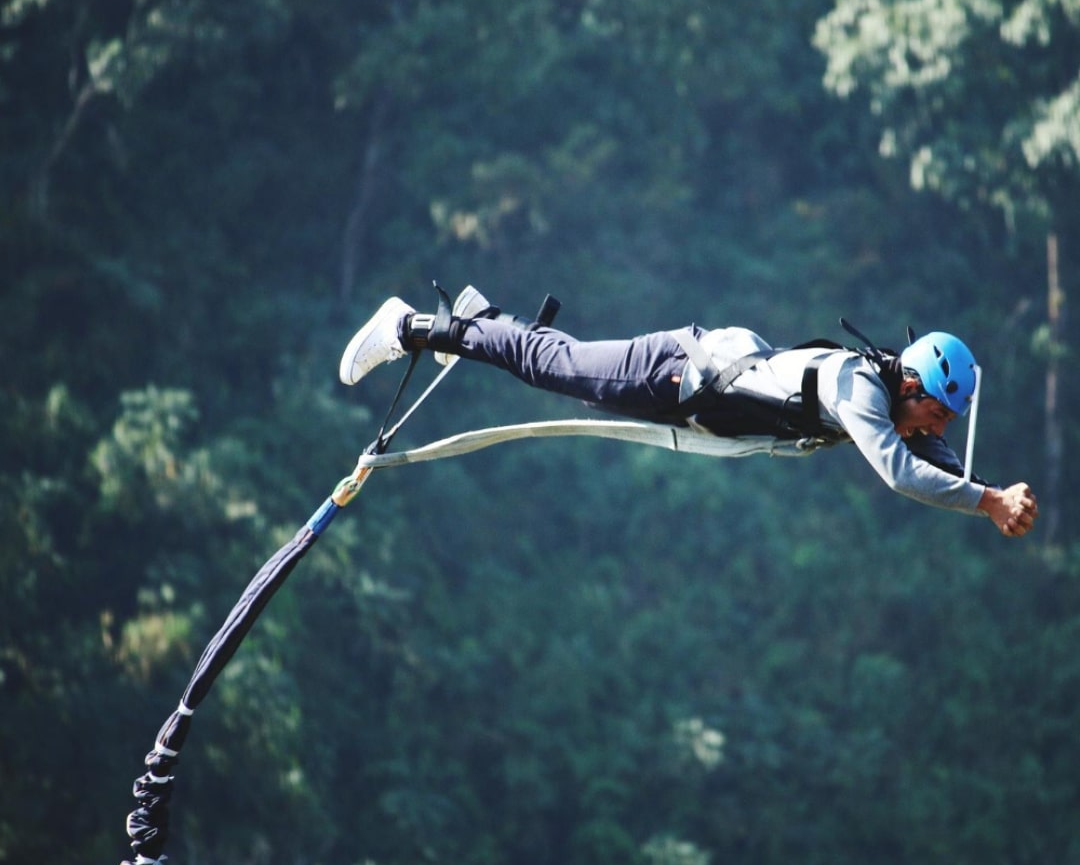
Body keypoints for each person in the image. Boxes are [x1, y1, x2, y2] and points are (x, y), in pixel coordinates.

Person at [339, 285, 1039, 538]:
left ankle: (483, 319)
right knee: (553, 366)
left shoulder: (894, 401)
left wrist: (993, 493)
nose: (937, 430)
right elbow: (901, 471)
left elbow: (930, 456)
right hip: (674, 373)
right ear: (912, 385)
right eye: (938, 414)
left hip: (690, 392)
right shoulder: (859, 389)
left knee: (560, 368)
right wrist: (986, 502)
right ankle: (412, 325)